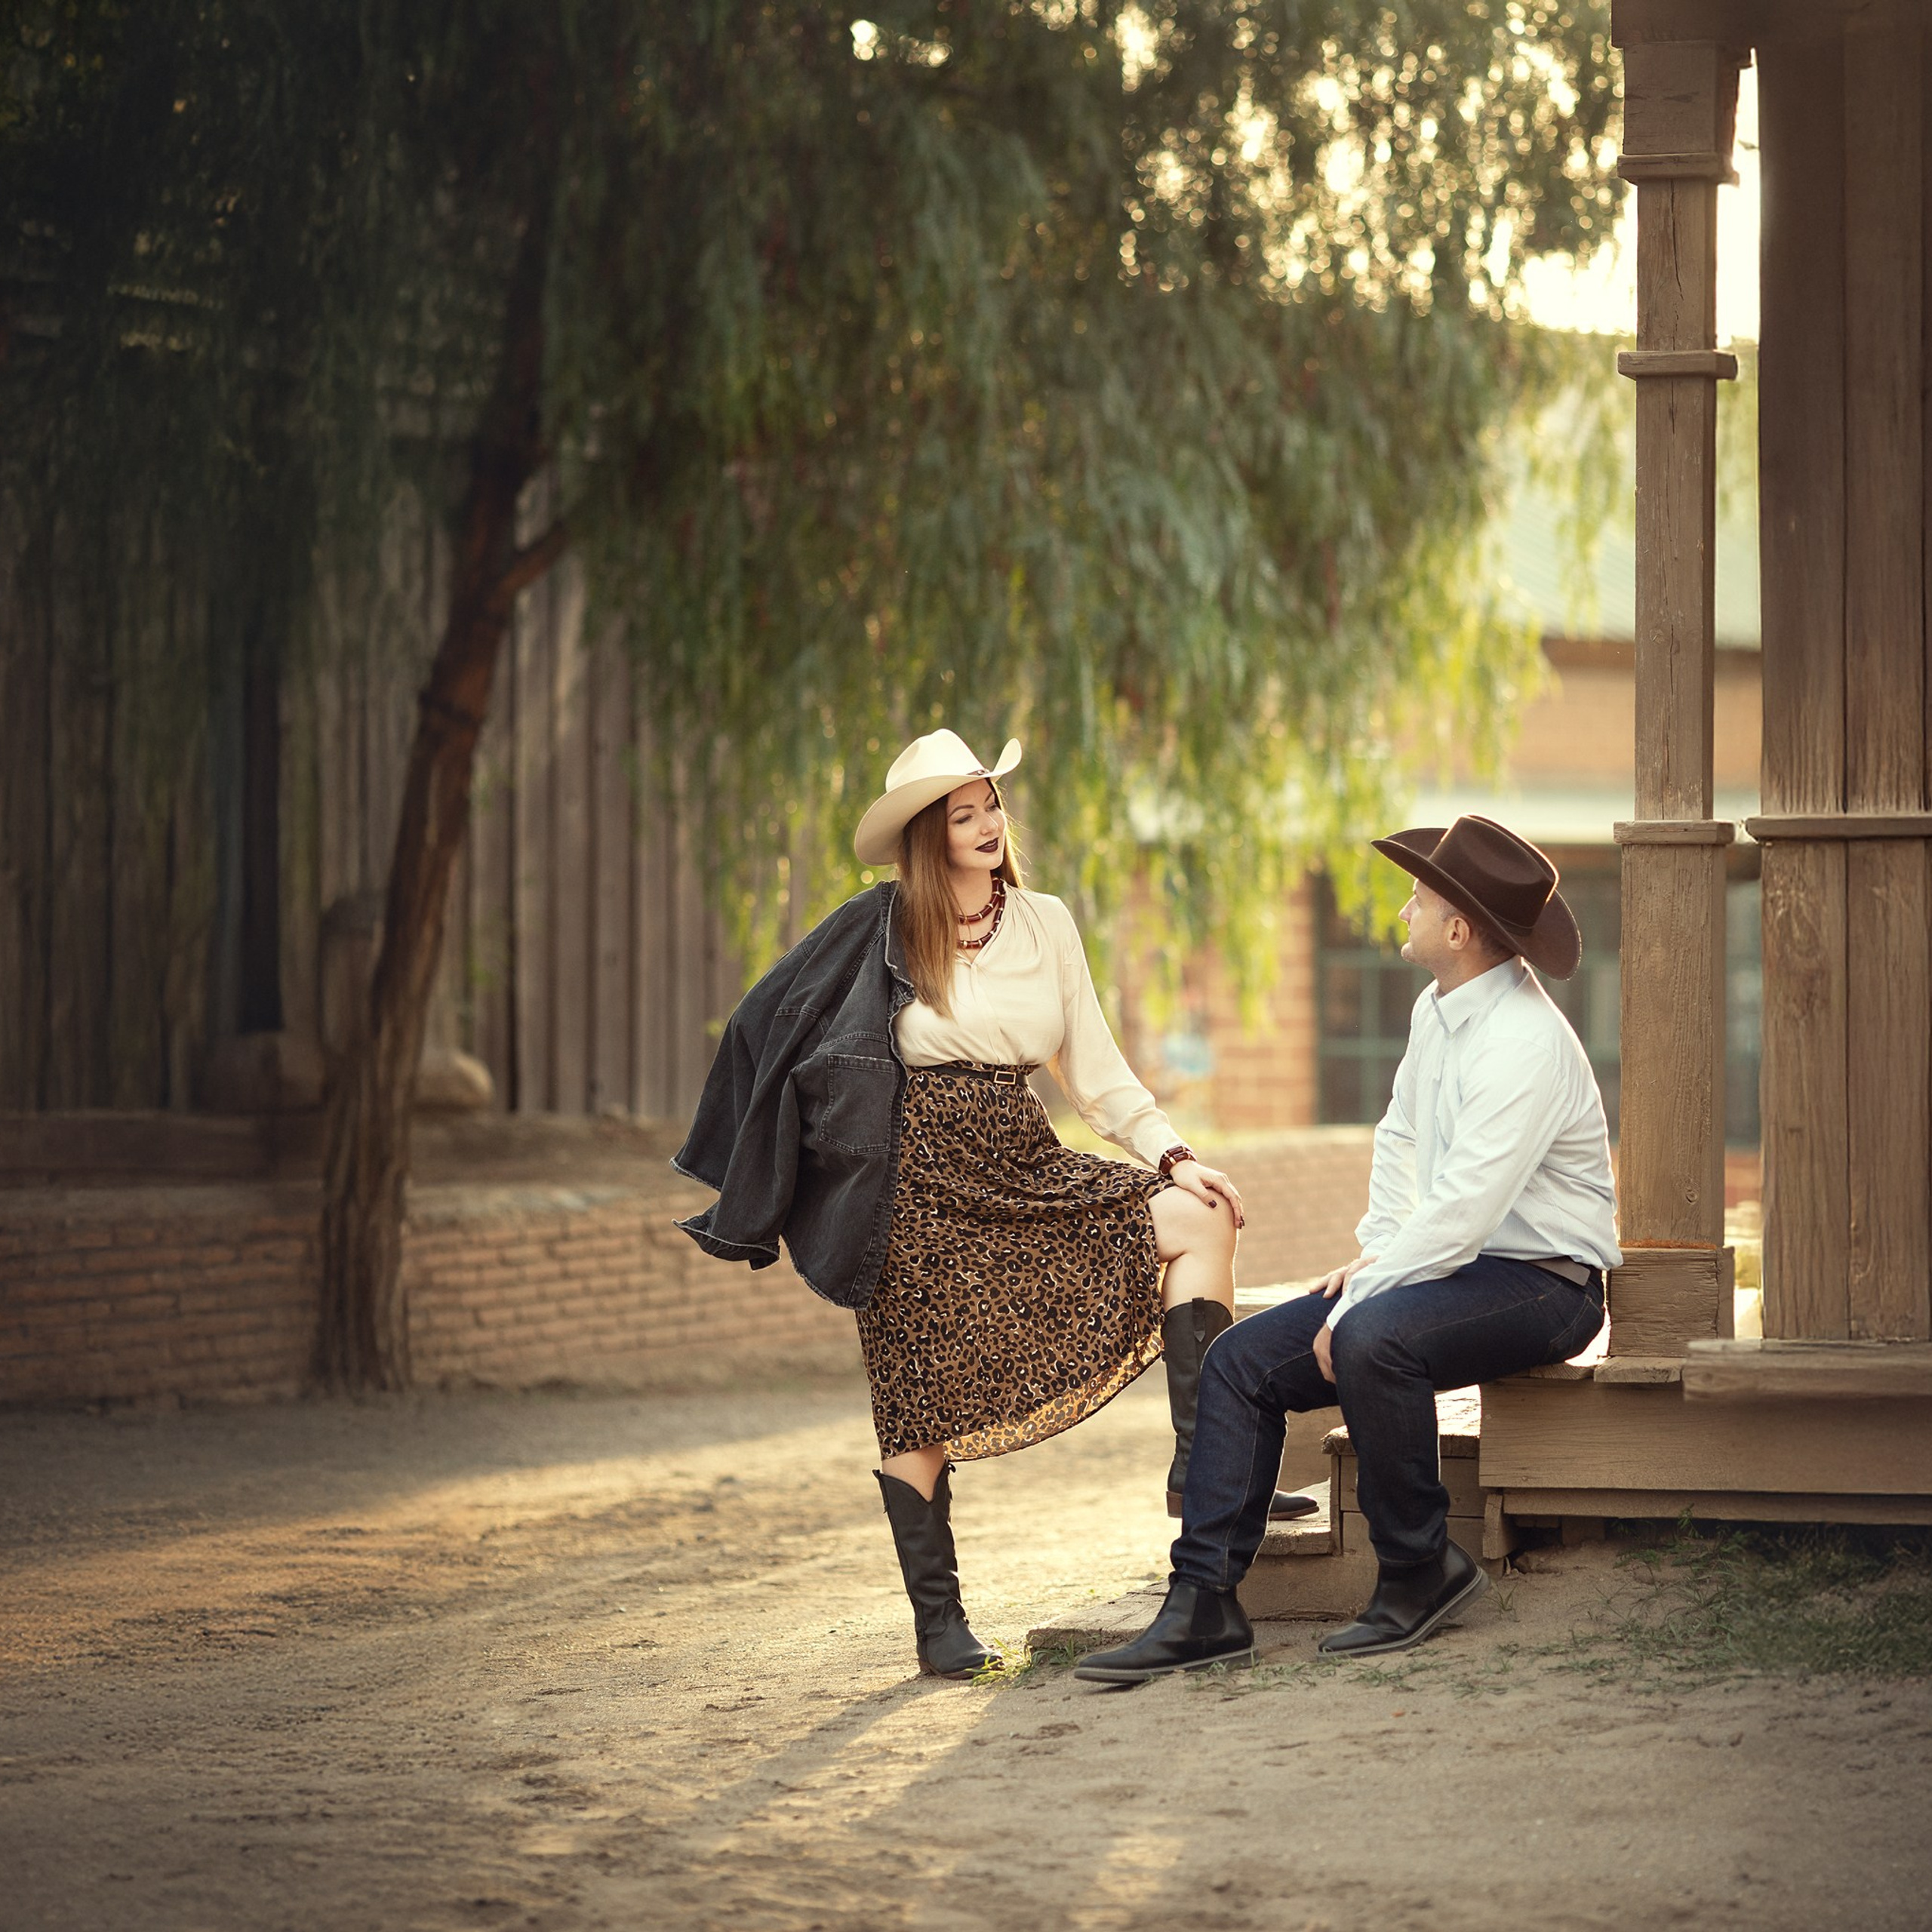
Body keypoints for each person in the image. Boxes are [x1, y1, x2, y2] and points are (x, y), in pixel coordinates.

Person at [673, 728, 1313, 1682]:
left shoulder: (1046, 921)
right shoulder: (879, 926)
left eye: (991, 806)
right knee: (916, 1400)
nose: (986, 825)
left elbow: (1094, 1068)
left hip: (1023, 1158)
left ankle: (1202, 1467)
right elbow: (765, 1025)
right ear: (926, 836)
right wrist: (817, 1146)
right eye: (961, 814)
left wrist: (1174, 1155)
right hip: (912, 1185)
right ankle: (939, 1623)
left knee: (1201, 1218)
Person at [1075, 814, 1621, 1685]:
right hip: (1453, 1265)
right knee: (1238, 1361)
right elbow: (1401, 1143)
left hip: (1546, 1282)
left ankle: (1419, 1567)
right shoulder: (1438, 1010)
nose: (1402, 910)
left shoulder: (1523, 1042)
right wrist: (1376, 1258)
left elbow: (1466, 1209)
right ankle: (1203, 1603)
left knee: (1371, 1336)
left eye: (1418, 899)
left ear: (1458, 930)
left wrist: (1370, 1295)